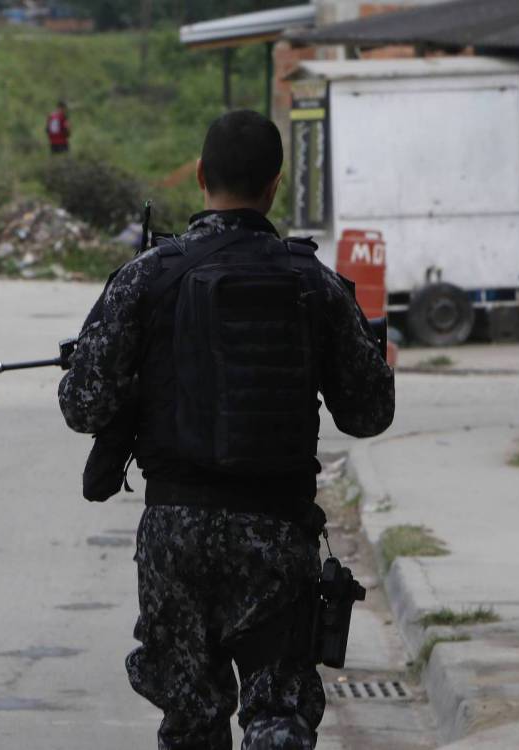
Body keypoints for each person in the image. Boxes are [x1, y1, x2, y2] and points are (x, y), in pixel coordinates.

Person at [58, 109, 394, 750]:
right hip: (275, 532)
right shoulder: (315, 284)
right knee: (278, 717)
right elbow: (369, 413)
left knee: (190, 723)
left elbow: (82, 407)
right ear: (274, 184)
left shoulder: (145, 278)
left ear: (203, 175)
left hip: (175, 536)